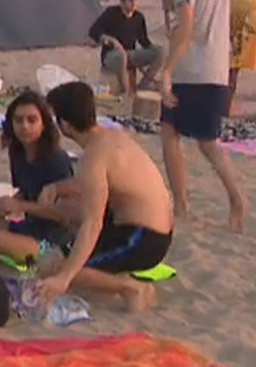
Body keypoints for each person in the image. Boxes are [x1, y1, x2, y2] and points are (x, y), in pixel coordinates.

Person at [33, 82, 171, 311]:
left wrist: (65, 278)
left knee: (61, 270)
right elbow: (99, 183)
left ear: (64, 124)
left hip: (144, 237)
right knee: (49, 264)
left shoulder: (94, 157)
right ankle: (109, 279)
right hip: (136, 224)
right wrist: (58, 188)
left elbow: (92, 223)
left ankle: (129, 287)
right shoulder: (111, 137)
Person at [161, 0, 245, 233]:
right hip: (214, 69)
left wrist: (167, 71)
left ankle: (229, 200)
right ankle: (182, 205)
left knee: (201, 142)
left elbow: (186, 29)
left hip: (191, 69)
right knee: (174, 133)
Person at [0, 91, 77, 264]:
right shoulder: (18, 153)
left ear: (44, 124)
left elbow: (65, 215)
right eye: (18, 120)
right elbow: (26, 192)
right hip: (27, 228)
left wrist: (18, 205)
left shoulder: (56, 161)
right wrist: (4, 207)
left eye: (32, 120)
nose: (25, 126)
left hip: (52, 241)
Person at [87, 0, 162, 97]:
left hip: (130, 54)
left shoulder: (138, 17)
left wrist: (153, 49)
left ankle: (143, 85)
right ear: (122, 2)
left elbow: (143, 40)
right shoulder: (111, 13)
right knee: (122, 55)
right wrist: (108, 39)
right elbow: (93, 31)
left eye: (135, 0)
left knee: (160, 53)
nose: (133, 4)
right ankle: (126, 91)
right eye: (130, 1)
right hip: (112, 55)